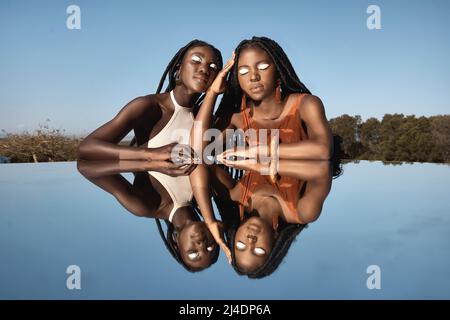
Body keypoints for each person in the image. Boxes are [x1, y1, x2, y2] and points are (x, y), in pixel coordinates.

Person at [77, 39, 223, 176]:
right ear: (179, 68)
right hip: (156, 200)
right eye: (196, 60)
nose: (204, 69)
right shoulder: (149, 106)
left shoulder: (204, 118)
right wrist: (152, 155)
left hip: (192, 202)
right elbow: (87, 148)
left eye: (213, 67)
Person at [199, 36, 333, 162]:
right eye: (244, 72)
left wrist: (259, 151)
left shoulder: (306, 104)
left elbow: (324, 150)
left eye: (262, 67)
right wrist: (212, 92)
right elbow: (200, 151)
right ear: (237, 80)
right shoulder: (237, 118)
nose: (253, 77)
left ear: (279, 71)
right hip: (252, 185)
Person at [76, 160, 220, 272]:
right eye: (210, 248)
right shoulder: (208, 191)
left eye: (193, 253)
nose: (202, 245)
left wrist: (149, 162)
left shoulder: (146, 206)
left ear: (177, 246)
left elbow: (86, 167)